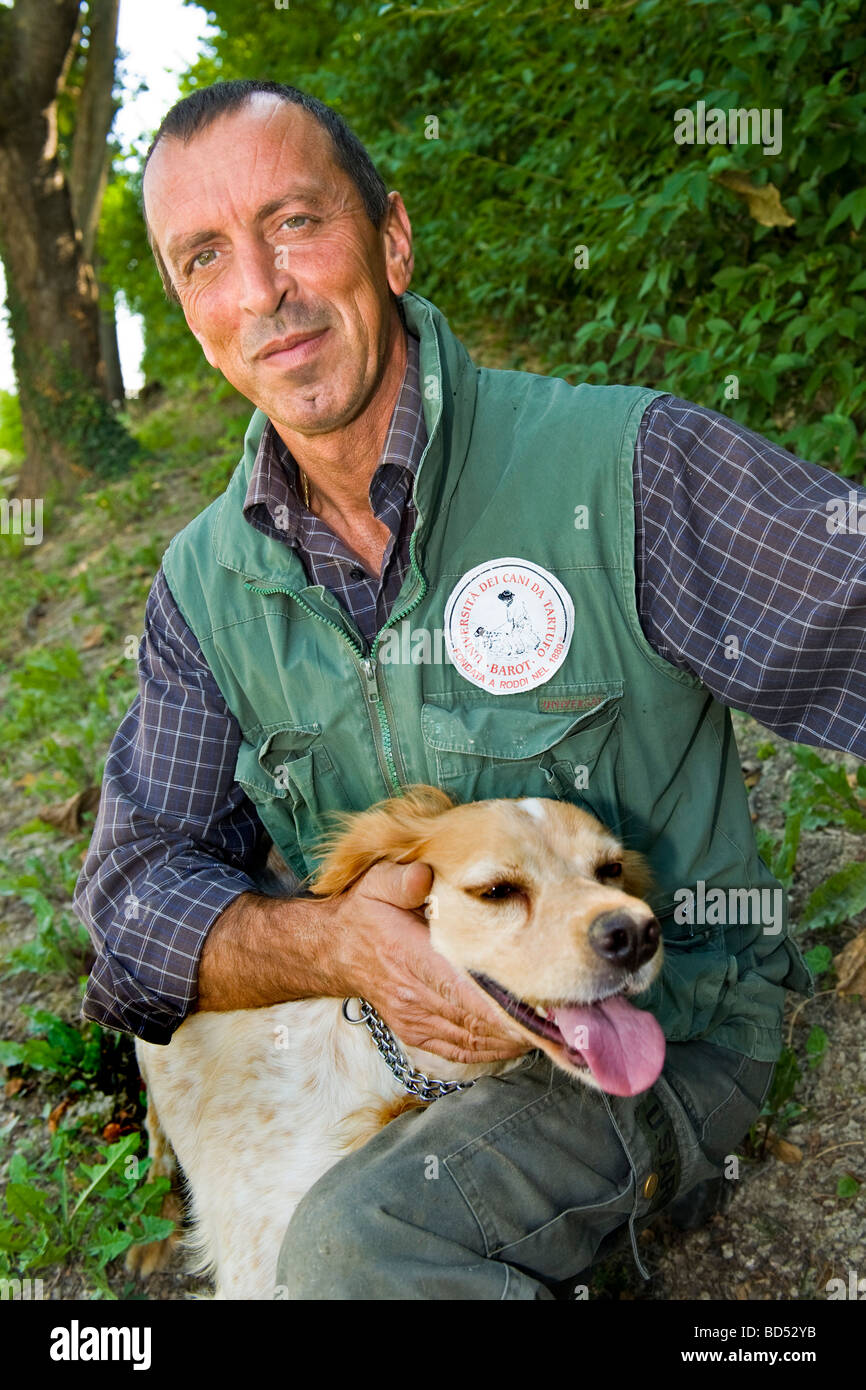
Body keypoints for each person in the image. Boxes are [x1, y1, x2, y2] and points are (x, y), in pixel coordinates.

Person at [74, 78, 865, 1300]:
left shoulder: (621, 469)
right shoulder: (204, 586)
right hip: (392, 1048)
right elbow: (132, 911)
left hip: (660, 1030)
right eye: (204, 258)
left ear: (389, 239)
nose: (261, 290)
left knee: (353, 1256)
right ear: (186, 309)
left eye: (295, 223)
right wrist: (340, 941)